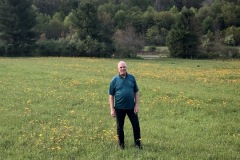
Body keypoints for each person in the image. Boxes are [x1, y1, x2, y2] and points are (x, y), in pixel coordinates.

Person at [108, 61, 142, 149]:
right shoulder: (114, 80)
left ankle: (138, 144)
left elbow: (136, 92)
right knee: (120, 127)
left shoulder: (132, 78)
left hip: (131, 107)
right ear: (118, 69)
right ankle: (121, 145)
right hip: (119, 108)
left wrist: (137, 105)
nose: (122, 69)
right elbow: (111, 95)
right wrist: (112, 109)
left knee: (136, 125)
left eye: (124, 67)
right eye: (121, 67)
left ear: (126, 68)